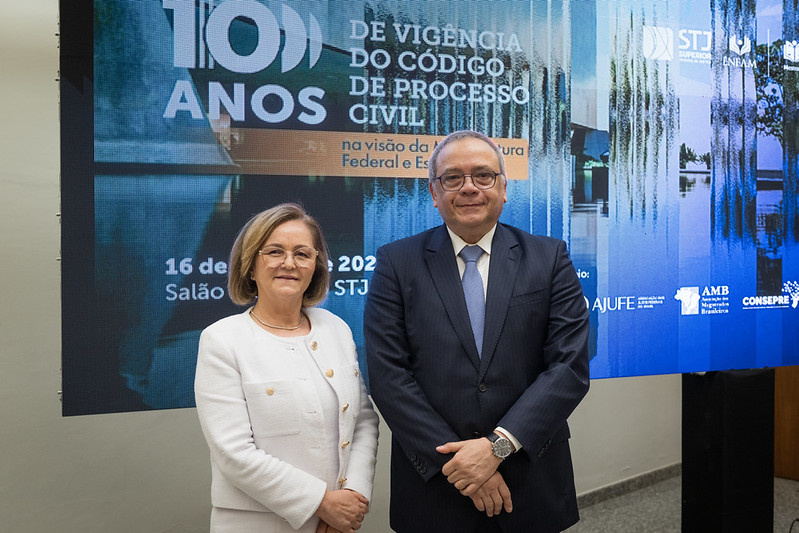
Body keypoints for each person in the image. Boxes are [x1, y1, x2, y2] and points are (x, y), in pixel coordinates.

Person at [364, 130, 590, 532]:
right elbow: (388, 376)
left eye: (483, 175)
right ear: (434, 193)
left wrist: (497, 447)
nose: (469, 187)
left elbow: (568, 367)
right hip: (437, 484)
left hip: (529, 478)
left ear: (503, 188)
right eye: (453, 177)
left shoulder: (549, 257)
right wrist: (462, 465)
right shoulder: (396, 263)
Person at [195, 203, 379, 533]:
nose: (289, 263)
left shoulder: (335, 328)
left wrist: (352, 496)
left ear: (315, 268)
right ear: (250, 266)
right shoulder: (222, 340)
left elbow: (363, 420)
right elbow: (234, 453)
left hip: (335, 523)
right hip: (256, 524)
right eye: (274, 252)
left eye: (302, 254)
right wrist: (323, 503)